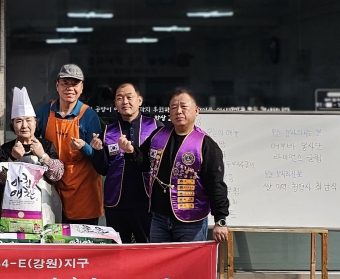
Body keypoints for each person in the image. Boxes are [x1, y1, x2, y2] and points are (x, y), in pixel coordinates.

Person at [121, 89, 230, 243]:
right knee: (160, 258)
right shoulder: (158, 135)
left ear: (196, 111)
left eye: (183, 107)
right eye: (173, 107)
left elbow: (215, 184)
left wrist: (220, 219)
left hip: (190, 220)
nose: (178, 111)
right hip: (158, 218)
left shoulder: (205, 144)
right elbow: (144, 163)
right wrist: (131, 151)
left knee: (189, 260)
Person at [91, 82, 160, 243]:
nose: (125, 102)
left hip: (147, 200)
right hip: (117, 202)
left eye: (129, 97)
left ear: (139, 101)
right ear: (115, 103)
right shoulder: (108, 131)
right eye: (120, 98)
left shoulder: (156, 127)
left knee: (148, 247)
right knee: (118, 248)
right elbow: (103, 169)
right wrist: (98, 151)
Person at [34, 64, 103, 224]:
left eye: (74, 84)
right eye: (65, 83)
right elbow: (30, 138)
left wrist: (84, 147)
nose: (69, 88)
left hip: (83, 192)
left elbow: (98, 159)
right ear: (57, 85)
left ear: (81, 87)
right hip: (52, 188)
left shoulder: (89, 116)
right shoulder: (44, 112)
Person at [0, 87, 64, 183]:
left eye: (28, 120)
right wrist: (12, 158)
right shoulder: (6, 148)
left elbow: (57, 176)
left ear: (35, 122)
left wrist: (43, 156)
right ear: (13, 125)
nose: (24, 125)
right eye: (19, 121)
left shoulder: (46, 145)